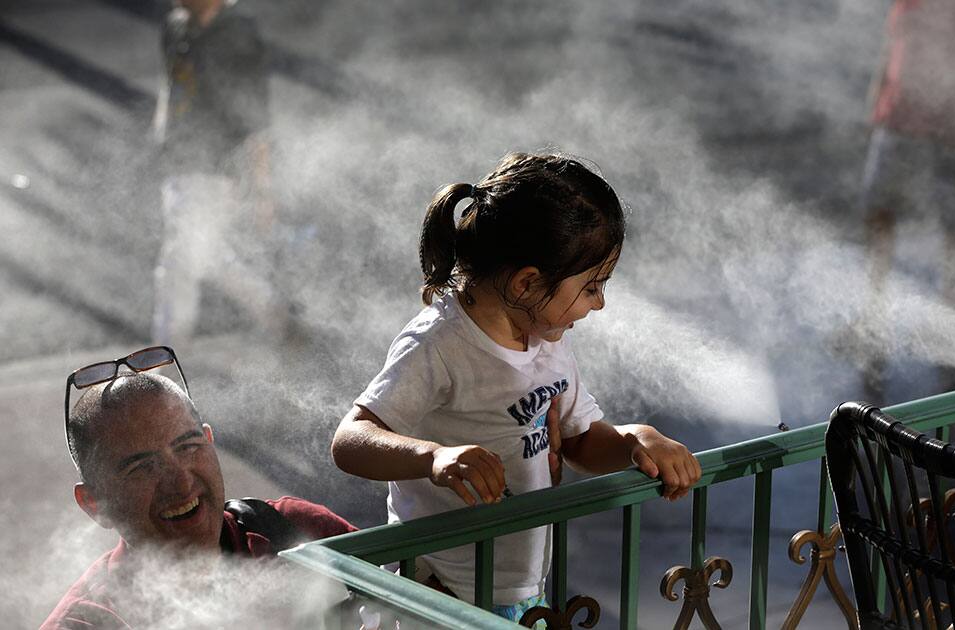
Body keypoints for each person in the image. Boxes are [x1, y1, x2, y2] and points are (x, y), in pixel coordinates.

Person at [331, 152, 701, 625]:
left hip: (519, 590)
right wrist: (434, 458)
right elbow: (350, 440)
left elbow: (581, 441)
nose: (601, 303)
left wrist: (635, 441)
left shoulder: (548, 343)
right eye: (592, 286)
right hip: (434, 593)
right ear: (527, 283)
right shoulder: (439, 344)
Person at [42, 369, 356, 629]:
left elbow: (402, 584)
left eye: (188, 446)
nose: (181, 481)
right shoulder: (89, 622)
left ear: (209, 441)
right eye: (143, 467)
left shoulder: (295, 530)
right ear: (94, 504)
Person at [858, 0, 955, 398]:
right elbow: (893, 45)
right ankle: (874, 305)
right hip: (899, 113)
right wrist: (876, 101)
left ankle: (949, 308)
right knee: (878, 206)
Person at [151, 0, 280, 346]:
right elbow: (172, 88)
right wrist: (161, 136)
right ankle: (275, 312)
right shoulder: (176, 26)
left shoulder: (237, 34)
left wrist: (261, 187)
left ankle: (163, 361)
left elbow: (256, 118)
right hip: (178, 163)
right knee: (205, 256)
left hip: (218, 168)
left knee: (178, 264)